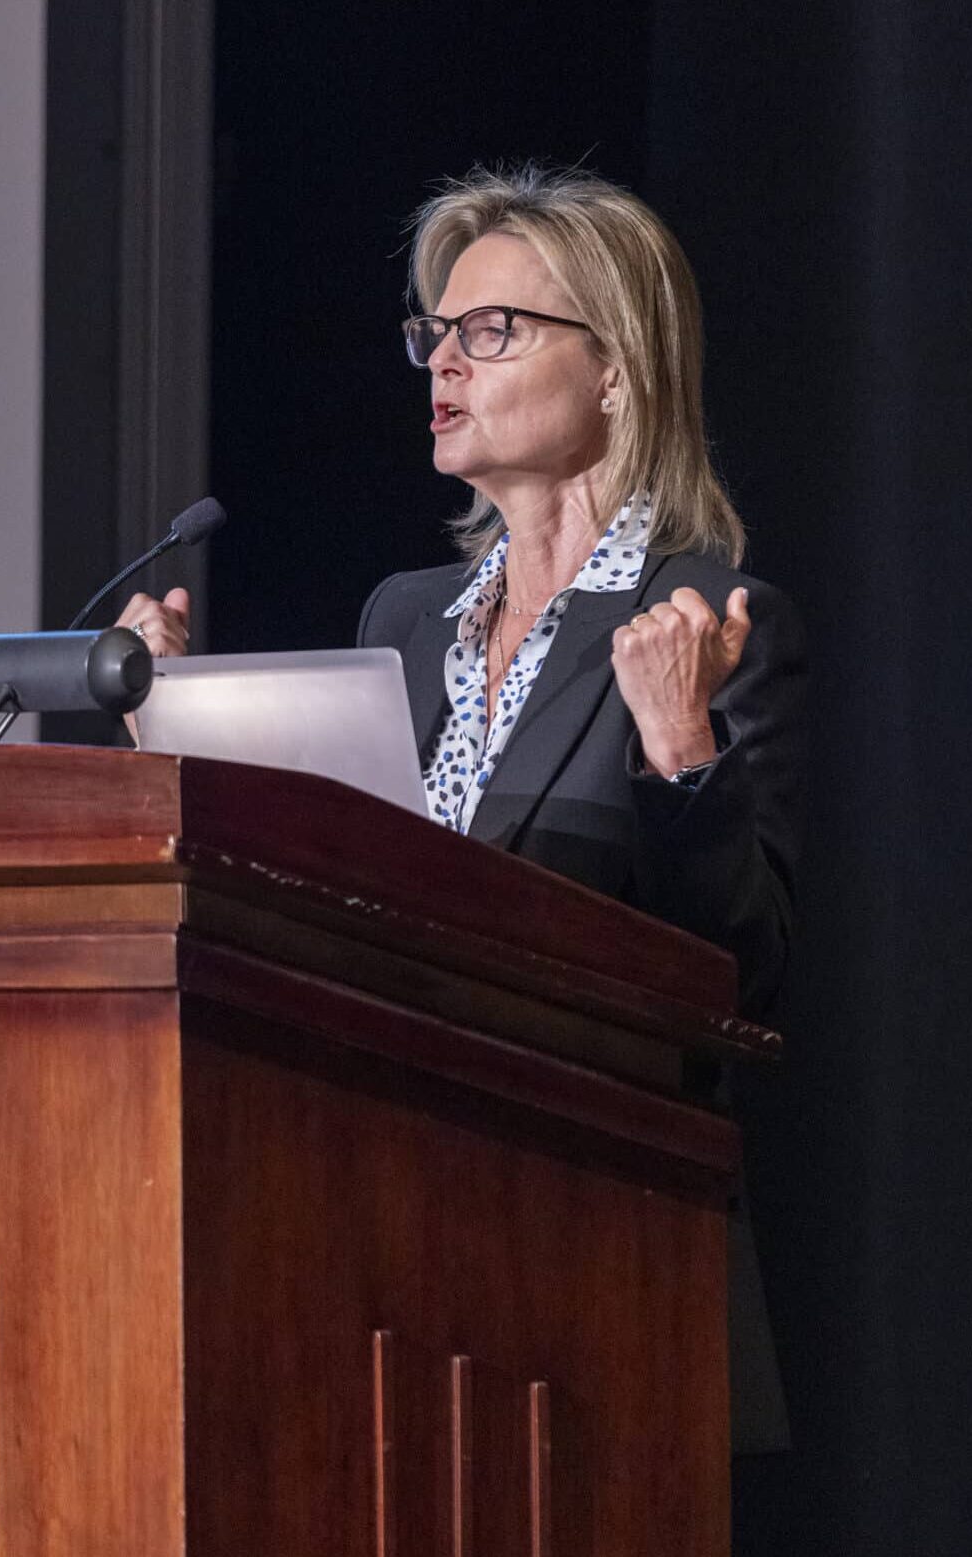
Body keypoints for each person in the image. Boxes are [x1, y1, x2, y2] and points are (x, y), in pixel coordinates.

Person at [120, 164, 807, 1020]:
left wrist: (679, 744)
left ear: (614, 370)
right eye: (437, 333)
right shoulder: (406, 615)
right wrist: (176, 729)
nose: (441, 361)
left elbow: (744, 980)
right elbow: (326, 885)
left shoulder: (706, 623)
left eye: (489, 331)